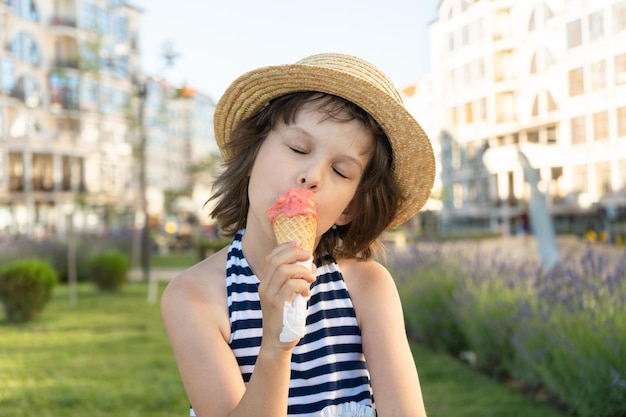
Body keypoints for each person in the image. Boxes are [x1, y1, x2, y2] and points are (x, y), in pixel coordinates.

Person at [161, 53, 435, 417]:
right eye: (298, 149)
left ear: (349, 208)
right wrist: (276, 345)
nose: (312, 175)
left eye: (340, 170)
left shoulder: (368, 288)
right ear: (250, 158)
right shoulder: (193, 297)